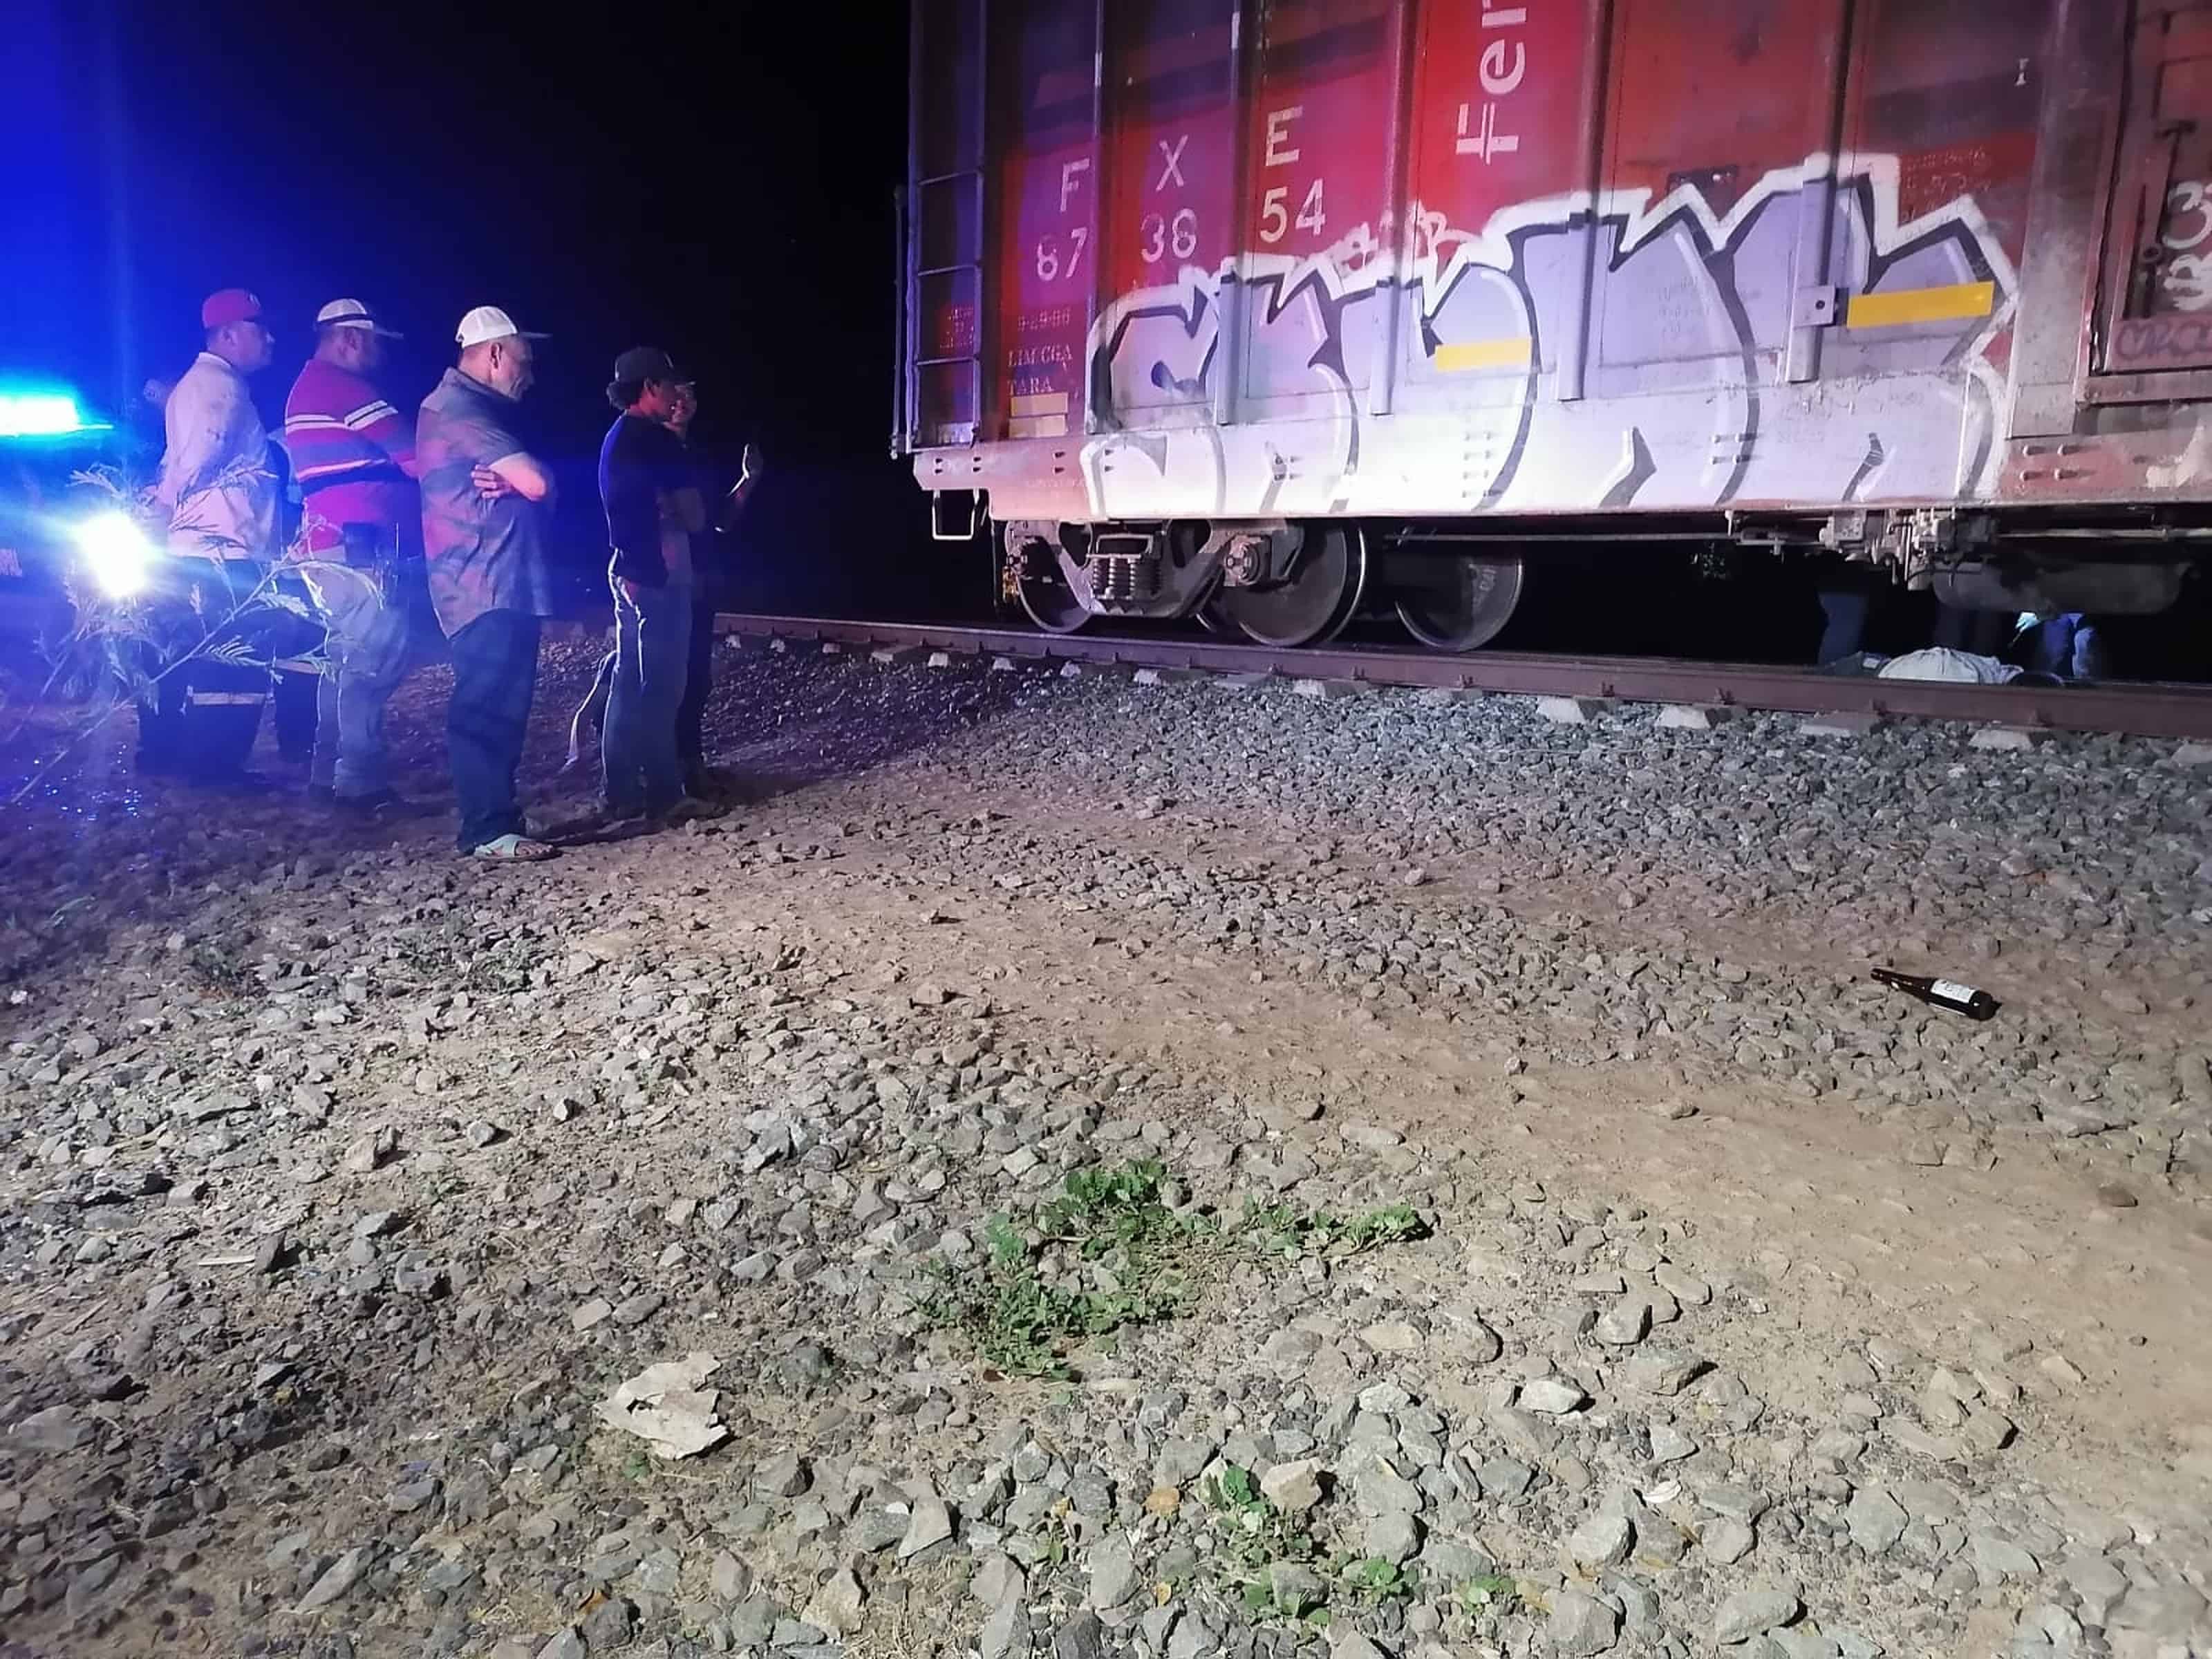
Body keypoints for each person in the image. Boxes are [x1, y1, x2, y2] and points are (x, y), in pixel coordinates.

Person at [416, 306, 559, 862]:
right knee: (486, 704)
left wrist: (533, 484)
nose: (530, 371)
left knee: (502, 701)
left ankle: (498, 814)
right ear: (495, 353)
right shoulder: (461, 408)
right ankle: (486, 828)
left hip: (496, 579)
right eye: (524, 358)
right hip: (482, 582)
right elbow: (540, 483)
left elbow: (536, 487)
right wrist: (534, 480)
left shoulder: (468, 408)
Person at [280, 299, 420, 811]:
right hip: (358, 547)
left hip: (330, 544)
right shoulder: (344, 388)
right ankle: (360, 782)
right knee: (374, 658)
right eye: (377, 342)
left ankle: (328, 774)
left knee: (344, 662)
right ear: (351, 338)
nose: (381, 353)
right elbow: (415, 457)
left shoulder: (308, 388)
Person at [139, 288, 281, 782]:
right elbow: (202, 453)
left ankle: (182, 758)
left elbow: (176, 459)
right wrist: (164, 501)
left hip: (199, 546)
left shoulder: (193, 385)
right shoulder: (221, 388)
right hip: (226, 547)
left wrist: (160, 498)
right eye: (258, 328)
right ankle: (216, 767)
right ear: (227, 334)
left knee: (195, 654)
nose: (269, 338)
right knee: (235, 663)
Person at [597, 346, 709, 824]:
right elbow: (697, 517)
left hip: (626, 568)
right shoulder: (658, 442)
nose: (676, 393)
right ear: (649, 388)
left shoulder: (618, 436)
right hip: (659, 572)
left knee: (627, 682)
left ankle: (620, 790)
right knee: (662, 687)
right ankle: (666, 794)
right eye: (668, 385)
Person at [668, 379, 760, 796]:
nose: (683, 402)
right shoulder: (648, 450)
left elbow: (719, 518)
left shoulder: (694, 454)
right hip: (666, 582)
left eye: (691, 393)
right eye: (675, 392)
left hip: (699, 580)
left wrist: (748, 479)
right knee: (665, 678)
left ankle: (691, 763)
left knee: (695, 675)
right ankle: (661, 772)